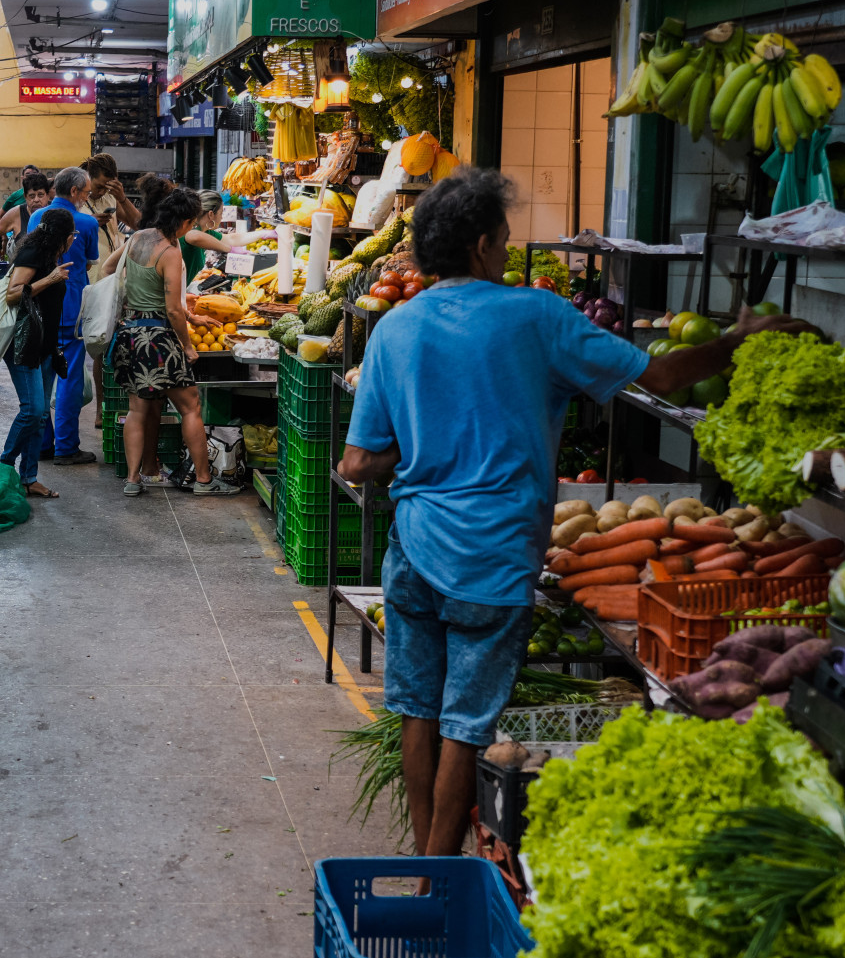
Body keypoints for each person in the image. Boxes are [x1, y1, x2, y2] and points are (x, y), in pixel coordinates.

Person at [335, 168, 819, 867]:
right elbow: (661, 378)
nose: (506, 254)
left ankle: (422, 863)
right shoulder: (535, 316)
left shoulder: (394, 328)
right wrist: (741, 338)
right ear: (478, 245)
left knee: (417, 710)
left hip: (413, 547)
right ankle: (437, 885)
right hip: (491, 556)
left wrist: (421, 449)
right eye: (502, 241)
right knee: (465, 726)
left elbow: (356, 461)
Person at [107, 187, 240, 497]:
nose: (191, 228)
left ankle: (132, 478)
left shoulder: (138, 238)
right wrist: (189, 346)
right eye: (191, 223)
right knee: (191, 405)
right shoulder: (170, 250)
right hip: (159, 339)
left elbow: (108, 269)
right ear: (184, 221)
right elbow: (173, 309)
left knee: (137, 410)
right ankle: (205, 481)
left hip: (130, 334)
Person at [0, 208, 77, 498]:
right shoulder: (32, 253)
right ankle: (5, 466)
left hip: (43, 346)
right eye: (72, 236)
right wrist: (51, 279)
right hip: (23, 344)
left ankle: (29, 478)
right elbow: (13, 294)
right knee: (32, 411)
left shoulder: (48, 256)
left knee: (42, 414)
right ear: (65, 237)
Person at [38, 166, 102, 465]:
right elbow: (89, 262)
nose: (87, 197)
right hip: (71, 307)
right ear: (74, 191)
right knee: (68, 379)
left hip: (40, 305)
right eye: (86, 192)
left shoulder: (38, 216)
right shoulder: (87, 223)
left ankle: (43, 443)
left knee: (41, 380)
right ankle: (66, 447)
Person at [0, 173, 52, 280]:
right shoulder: (16, 214)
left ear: (47, 195)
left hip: (48, 278)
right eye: (32, 196)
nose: (36, 200)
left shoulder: (55, 213)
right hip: (20, 279)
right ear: (25, 197)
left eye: (40, 195)